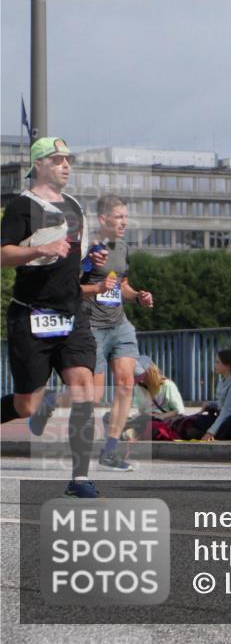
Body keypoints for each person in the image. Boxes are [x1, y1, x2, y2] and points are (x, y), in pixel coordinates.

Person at [0, 137, 104, 498]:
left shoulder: (74, 206)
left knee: (83, 390)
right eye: (58, 159)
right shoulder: (21, 207)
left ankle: (80, 478)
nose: (66, 165)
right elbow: (2, 254)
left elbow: (76, 262)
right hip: (31, 316)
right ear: (39, 165)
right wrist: (39, 249)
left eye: (68, 159)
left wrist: (93, 265)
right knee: (25, 403)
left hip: (71, 314)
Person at [71, 195, 153, 472]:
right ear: (103, 219)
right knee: (91, 397)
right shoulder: (87, 249)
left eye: (126, 218)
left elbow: (122, 284)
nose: (124, 223)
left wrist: (137, 296)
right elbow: (69, 288)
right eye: (119, 217)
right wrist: (95, 288)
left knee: (126, 383)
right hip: (91, 326)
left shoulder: (123, 248)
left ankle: (110, 450)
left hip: (120, 325)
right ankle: (49, 401)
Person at [121, 356, 185, 440]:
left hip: (162, 420)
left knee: (150, 425)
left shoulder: (167, 385)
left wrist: (162, 416)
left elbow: (179, 410)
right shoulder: (139, 387)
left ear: (150, 372)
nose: (139, 379)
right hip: (145, 418)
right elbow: (142, 410)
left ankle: (135, 435)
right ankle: (131, 434)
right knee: (112, 418)